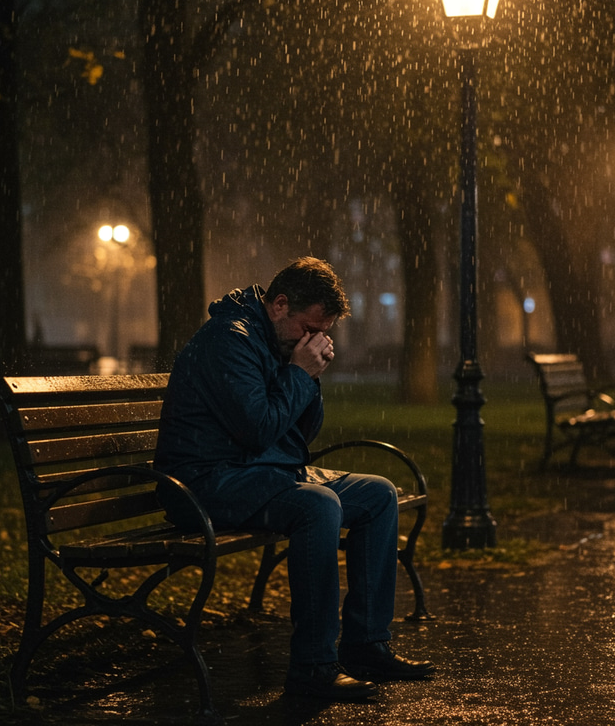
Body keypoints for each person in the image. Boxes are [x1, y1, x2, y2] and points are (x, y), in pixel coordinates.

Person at [155, 256, 433, 700]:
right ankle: (313, 666)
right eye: (309, 328)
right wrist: (300, 374)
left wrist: (310, 376)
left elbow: (300, 432)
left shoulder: (275, 340)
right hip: (205, 482)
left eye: (322, 333)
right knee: (317, 505)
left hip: (258, 469)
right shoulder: (230, 340)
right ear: (280, 304)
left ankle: (365, 644)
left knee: (378, 494)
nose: (315, 338)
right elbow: (259, 428)